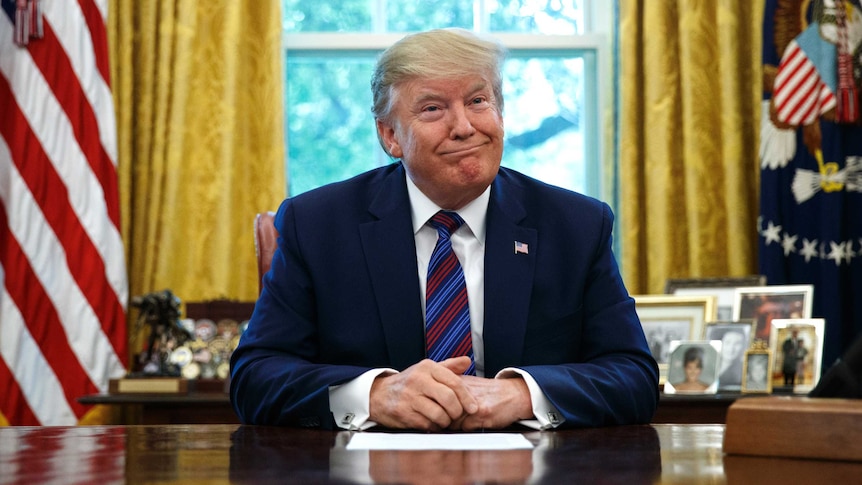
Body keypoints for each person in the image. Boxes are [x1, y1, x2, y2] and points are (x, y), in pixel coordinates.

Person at [229, 28, 659, 431]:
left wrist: (521, 395)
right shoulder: (317, 224)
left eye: (478, 101)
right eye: (434, 108)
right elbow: (255, 376)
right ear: (390, 136)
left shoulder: (576, 225)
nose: (464, 126)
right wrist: (374, 395)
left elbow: (633, 375)